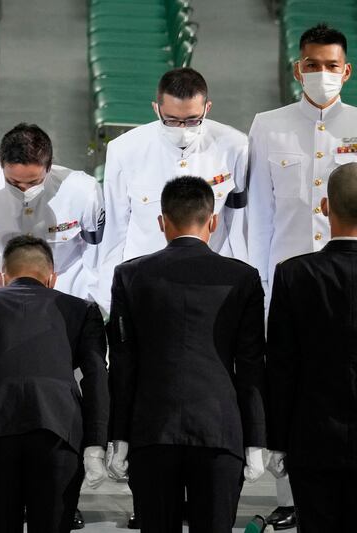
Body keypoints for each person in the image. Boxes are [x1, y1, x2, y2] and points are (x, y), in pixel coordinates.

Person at [106, 176, 267, 533]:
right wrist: (256, 438)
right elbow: (252, 364)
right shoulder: (243, 277)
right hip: (221, 430)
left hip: (151, 428)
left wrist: (118, 435)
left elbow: (122, 363)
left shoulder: (129, 275)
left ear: (162, 222)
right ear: (213, 220)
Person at [246, 23, 356, 528]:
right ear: (298, 68)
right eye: (313, 65)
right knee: (291, 376)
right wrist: (263, 283)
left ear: (347, 71)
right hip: (288, 278)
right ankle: (291, 492)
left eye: (332, 66)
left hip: (349, 274)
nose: (322, 74)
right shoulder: (269, 125)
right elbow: (260, 215)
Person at [0, 235, 109, 533]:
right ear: (52, 277)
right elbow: (96, 378)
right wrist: (96, 443)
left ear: (0, 276)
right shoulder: (82, 310)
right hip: (59, 430)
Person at [98, 68, 248, 316]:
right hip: (146, 283)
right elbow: (116, 227)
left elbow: (239, 224)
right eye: (171, 120)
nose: (182, 128)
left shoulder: (235, 146)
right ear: (156, 108)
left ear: (207, 109)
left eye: (192, 120)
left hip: (211, 282)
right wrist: (109, 294)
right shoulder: (124, 150)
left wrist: (244, 280)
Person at [266, 162, 357, 532]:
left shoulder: (294, 273)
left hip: (312, 436)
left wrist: (276, 440)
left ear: (324, 206)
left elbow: (281, 363)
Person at [0, 123, 105, 307]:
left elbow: (97, 254)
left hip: (65, 294)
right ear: (0, 162)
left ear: (49, 166)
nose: (25, 191)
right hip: (1, 295)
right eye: (14, 183)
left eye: (34, 183)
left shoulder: (83, 192)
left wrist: (93, 304)